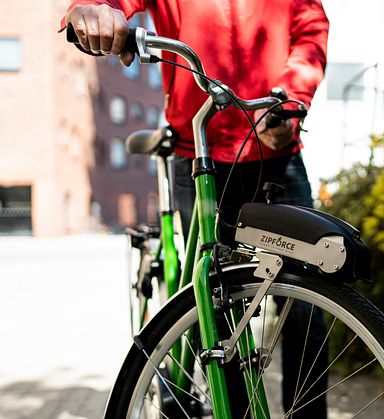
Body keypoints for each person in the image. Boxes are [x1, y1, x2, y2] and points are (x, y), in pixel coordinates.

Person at [61, 1, 329, 418]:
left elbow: (309, 23)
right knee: (217, 304)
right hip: (198, 148)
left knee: (308, 305)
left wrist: (291, 99)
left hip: (276, 145)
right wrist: (95, 10)